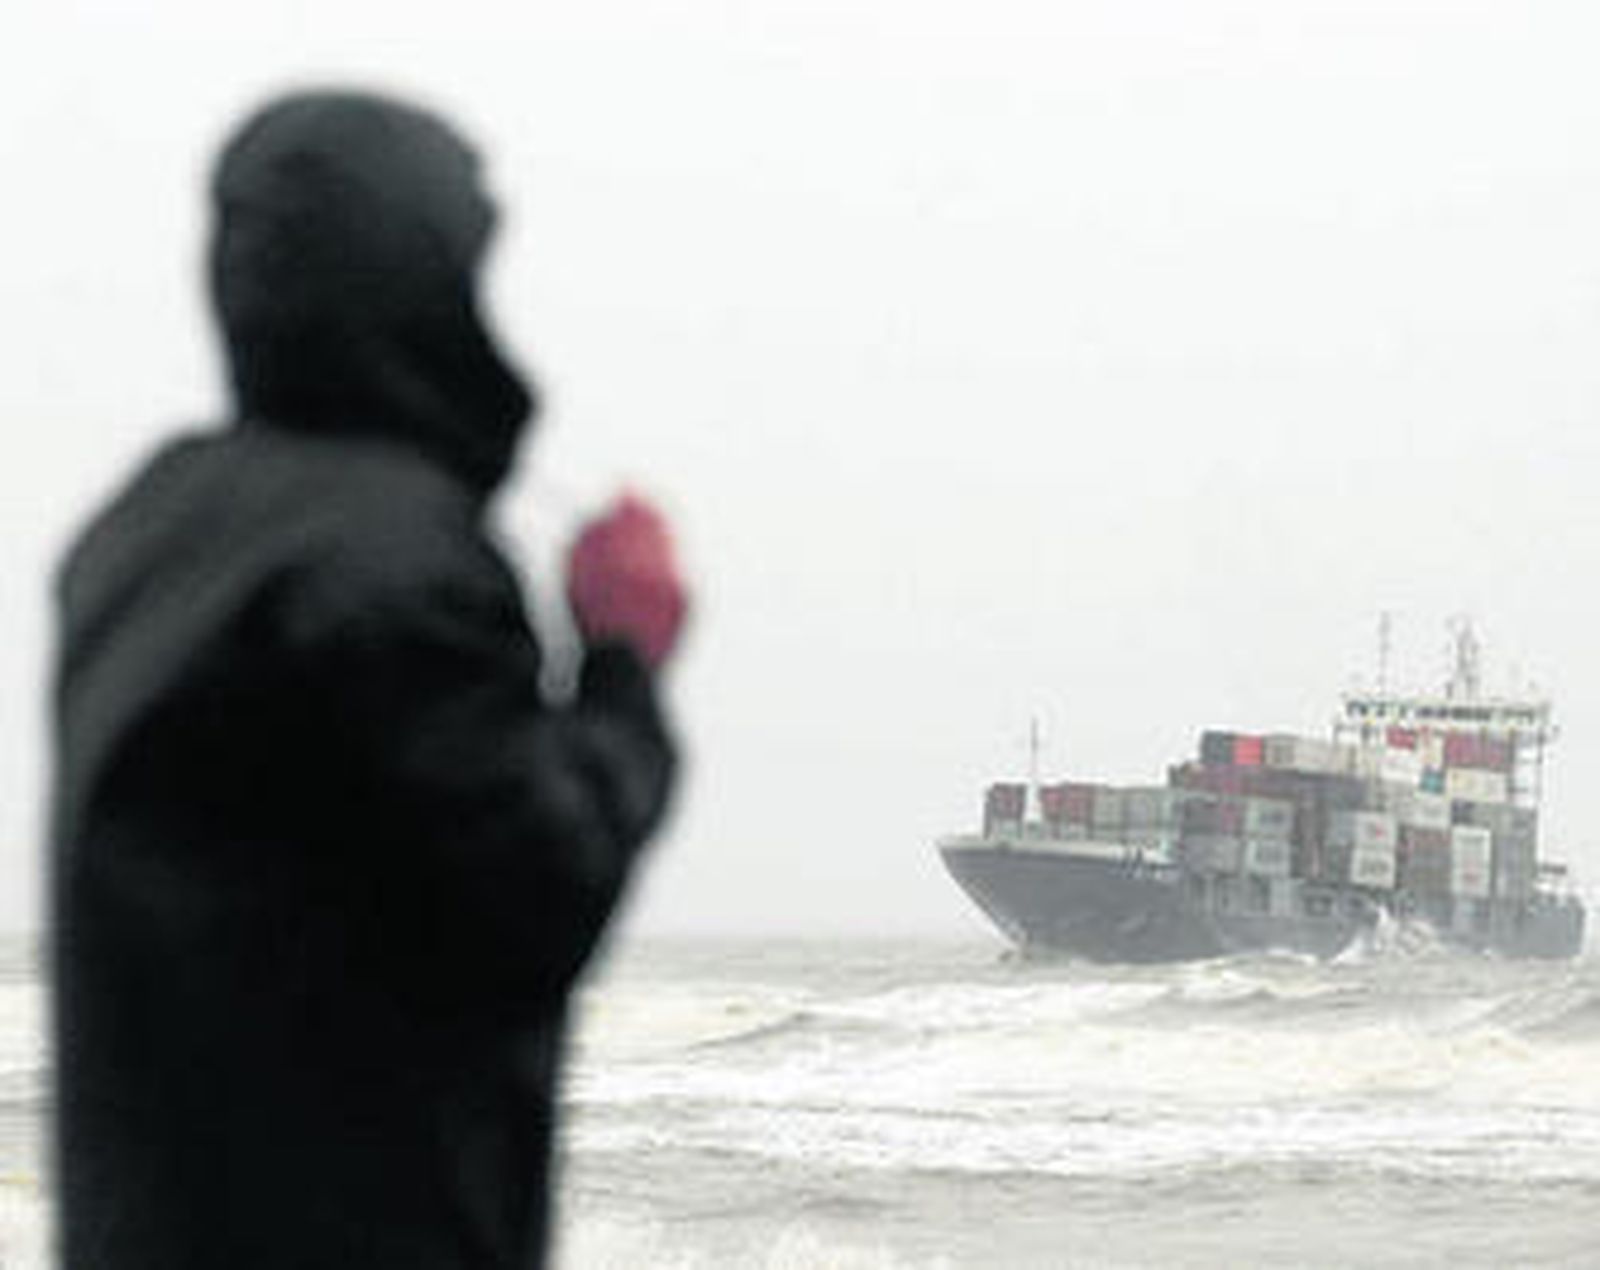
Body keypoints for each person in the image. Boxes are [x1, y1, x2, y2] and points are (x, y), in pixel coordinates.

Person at [49, 88, 686, 1268]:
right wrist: (622, 657)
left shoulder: (138, 538)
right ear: (420, 282)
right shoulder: (391, 557)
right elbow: (546, 883)